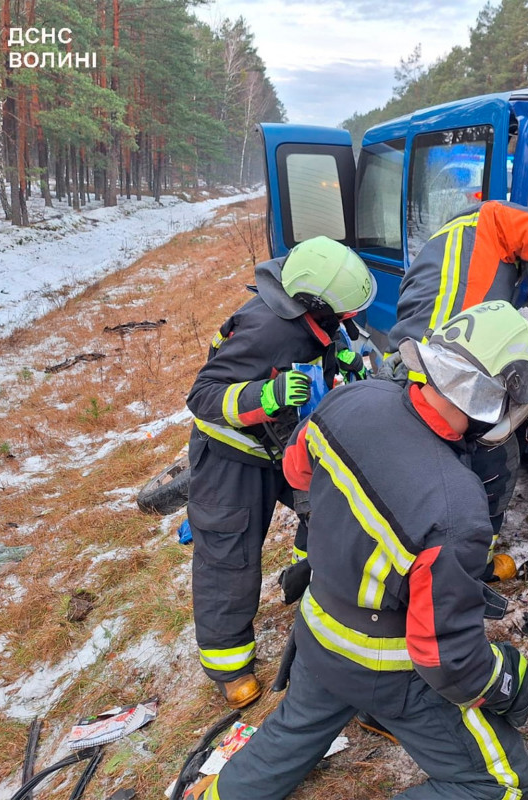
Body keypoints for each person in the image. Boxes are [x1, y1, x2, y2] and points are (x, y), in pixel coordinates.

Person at [186, 301, 528, 800]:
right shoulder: (456, 507)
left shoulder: (352, 399)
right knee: (499, 785)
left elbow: (296, 473)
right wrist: (509, 682)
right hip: (387, 668)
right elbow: (444, 658)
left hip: (319, 631)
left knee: (293, 733)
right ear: (498, 399)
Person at [185, 236, 376, 709]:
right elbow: (203, 396)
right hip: (234, 454)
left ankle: (307, 580)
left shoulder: (316, 317)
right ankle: (229, 664)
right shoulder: (264, 327)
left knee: (334, 510)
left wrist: (342, 357)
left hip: (286, 444)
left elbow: (321, 346)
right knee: (229, 555)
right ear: (314, 302)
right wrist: (261, 398)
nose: (349, 321)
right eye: (344, 316)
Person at [387, 199, 528, 538]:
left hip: (403, 370)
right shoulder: (495, 220)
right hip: (448, 378)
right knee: (493, 461)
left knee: (413, 479)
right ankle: (473, 560)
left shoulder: (438, 246)